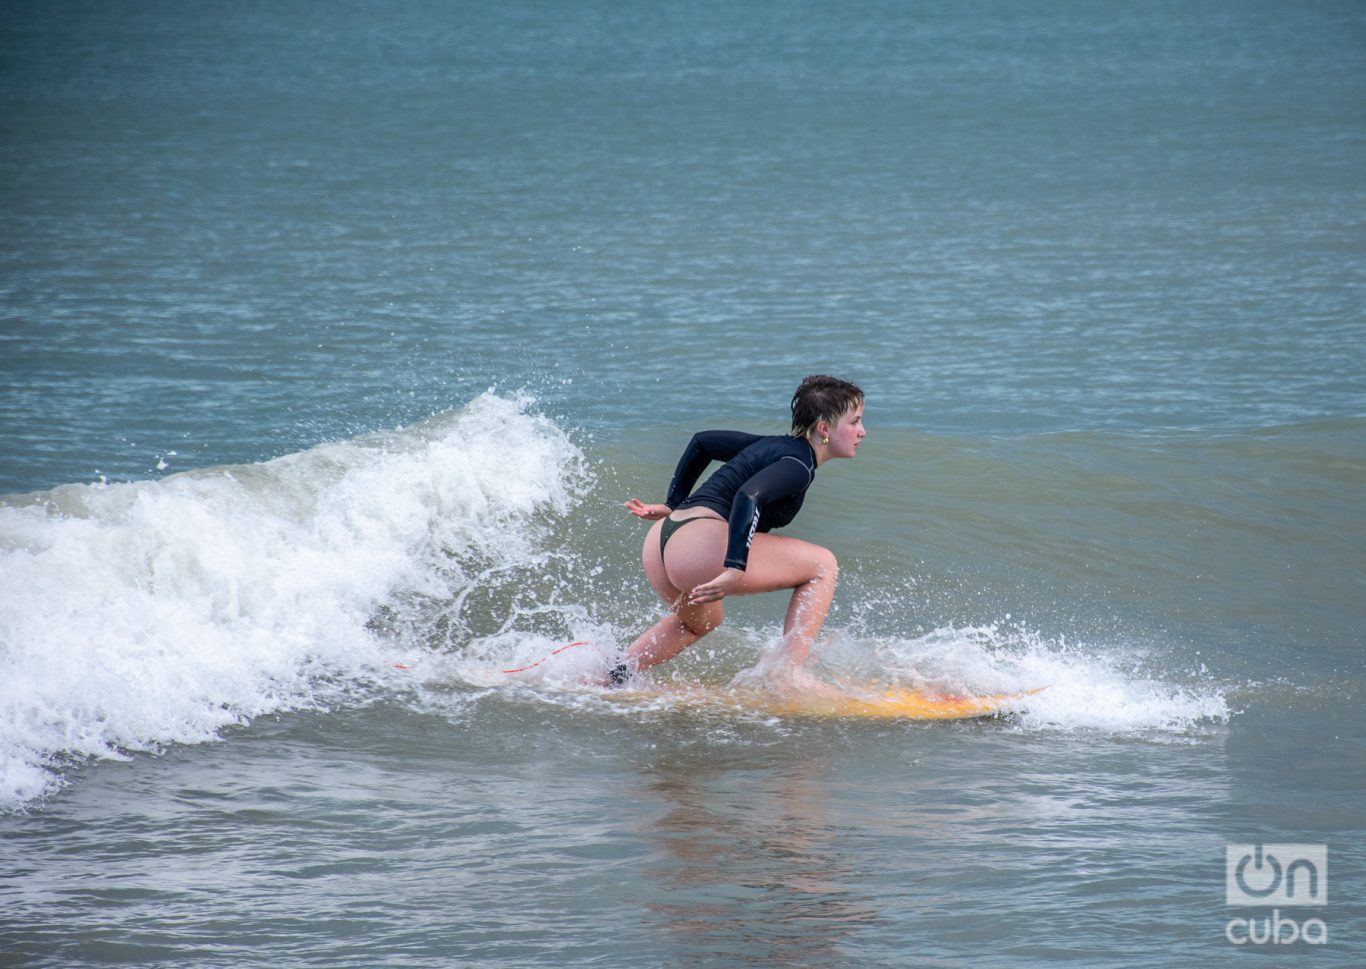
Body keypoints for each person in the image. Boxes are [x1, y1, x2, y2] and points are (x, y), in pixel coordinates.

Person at [611, 375, 866, 688]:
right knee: (822, 565)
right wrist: (735, 568)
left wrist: (672, 504)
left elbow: (702, 442)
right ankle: (789, 675)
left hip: (663, 539)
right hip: (699, 546)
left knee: (701, 623)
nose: (862, 432)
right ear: (824, 428)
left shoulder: (772, 446)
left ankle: (615, 674)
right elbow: (749, 496)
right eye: (854, 422)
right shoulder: (798, 466)